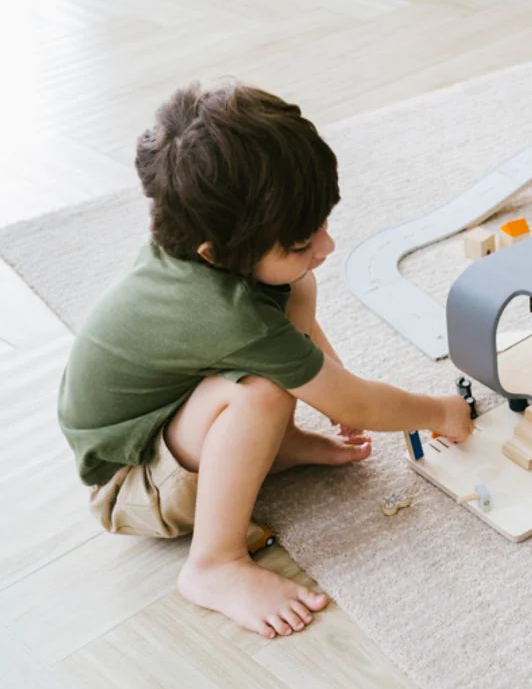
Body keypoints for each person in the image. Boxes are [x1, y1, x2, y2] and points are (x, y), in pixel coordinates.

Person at [57, 81, 474, 640]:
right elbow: (357, 403)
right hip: (130, 482)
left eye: (321, 224)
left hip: (160, 422)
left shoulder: (198, 242)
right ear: (215, 251)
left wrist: (334, 393)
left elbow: (326, 374)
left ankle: (276, 447)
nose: (326, 246)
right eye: (301, 242)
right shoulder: (230, 316)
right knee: (263, 391)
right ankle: (214, 563)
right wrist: (439, 412)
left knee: (294, 288)